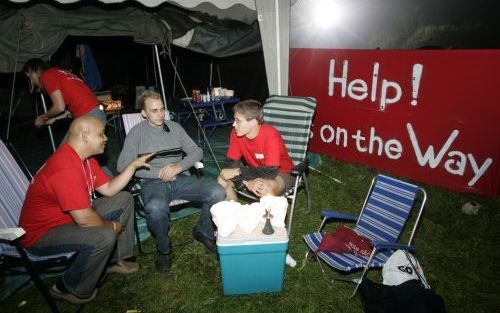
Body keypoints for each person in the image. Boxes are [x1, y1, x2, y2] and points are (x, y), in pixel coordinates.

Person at [19, 116, 153, 304]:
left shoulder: (85, 160)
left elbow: (108, 189)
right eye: (101, 134)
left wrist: (132, 167)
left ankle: (115, 261)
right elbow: (84, 219)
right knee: (104, 235)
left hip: (70, 218)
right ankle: (68, 287)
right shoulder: (65, 167)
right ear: (84, 136)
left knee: (123, 199)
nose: (106, 138)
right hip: (42, 234)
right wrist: (111, 226)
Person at [117, 90, 225, 276]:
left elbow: (196, 151)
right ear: (143, 113)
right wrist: (158, 172)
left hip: (180, 178)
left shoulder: (174, 127)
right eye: (154, 111)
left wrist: (178, 167)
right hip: (152, 183)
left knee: (217, 191)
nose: (160, 115)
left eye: (161, 109)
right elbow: (122, 165)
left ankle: (203, 232)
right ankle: (164, 249)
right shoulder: (137, 134)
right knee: (156, 207)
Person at [217, 99, 295, 200]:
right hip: (254, 171)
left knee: (263, 188)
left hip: (281, 173)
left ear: (254, 121)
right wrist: (247, 182)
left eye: (238, 121)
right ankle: (233, 213)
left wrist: (239, 172)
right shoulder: (236, 133)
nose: (233, 125)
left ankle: (266, 215)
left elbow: (270, 172)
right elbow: (231, 164)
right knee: (222, 179)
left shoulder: (271, 135)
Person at [22, 58, 106, 129]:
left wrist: (42, 117)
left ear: (33, 71)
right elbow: (72, 108)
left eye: (29, 76)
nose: (31, 80)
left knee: (70, 147)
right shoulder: (59, 72)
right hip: (96, 113)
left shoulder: (46, 76)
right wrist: (55, 117)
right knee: (69, 146)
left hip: (88, 116)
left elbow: (59, 107)